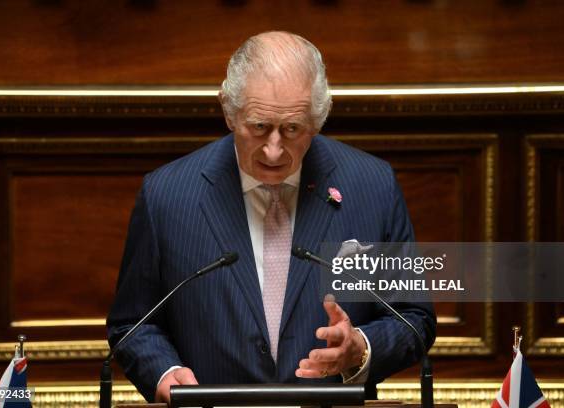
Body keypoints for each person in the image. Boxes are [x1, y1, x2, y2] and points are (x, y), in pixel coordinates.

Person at [107, 31, 436, 404]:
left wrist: (360, 348)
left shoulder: (372, 187)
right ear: (228, 111)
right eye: (259, 127)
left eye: (292, 129)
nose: (274, 150)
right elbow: (133, 323)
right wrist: (165, 373)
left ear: (317, 120)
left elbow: (413, 318)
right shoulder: (167, 195)